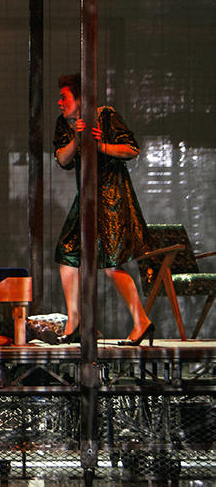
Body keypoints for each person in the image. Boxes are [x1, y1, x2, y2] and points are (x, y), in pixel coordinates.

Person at [51, 73, 153, 346]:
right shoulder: (66, 124)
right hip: (86, 199)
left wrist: (99, 145)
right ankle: (74, 323)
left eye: (64, 97)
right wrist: (78, 137)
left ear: (80, 98)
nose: (60, 103)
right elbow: (63, 158)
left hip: (111, 198)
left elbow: (132, 149)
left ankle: (141, 321)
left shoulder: (106, 116)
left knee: (110, 264)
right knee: (67, 254)